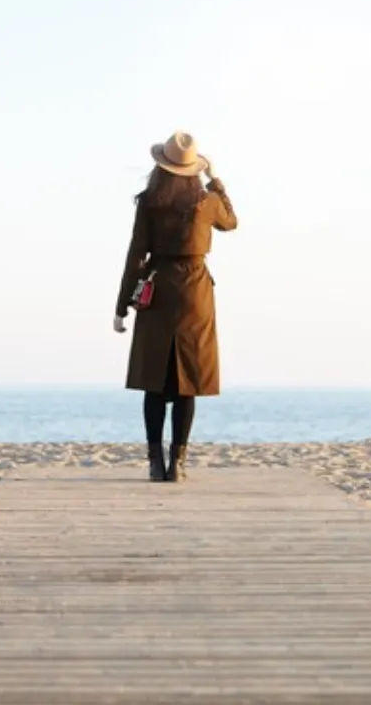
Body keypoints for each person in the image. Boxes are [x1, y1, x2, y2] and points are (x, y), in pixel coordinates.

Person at [114, 130, 238, 483]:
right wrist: (216, 180)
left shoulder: (150, 200)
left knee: (155, 378)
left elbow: (136, 254)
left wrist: (122, 305)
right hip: (196, 293)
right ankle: (178, 463)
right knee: (189, 380)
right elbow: (231, 221)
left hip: (157, 289)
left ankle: (155, 463)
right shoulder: (206, 201)